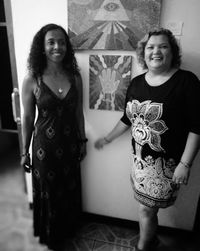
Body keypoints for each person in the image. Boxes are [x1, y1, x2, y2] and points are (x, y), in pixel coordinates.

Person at [95, 28, 200, 251]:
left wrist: (185, 164)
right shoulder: (136, 83)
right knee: (145, 207)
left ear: (172, 52)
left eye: (163, 46)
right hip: (140, 162)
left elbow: (197, 126)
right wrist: (108, 138)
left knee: (146, 209)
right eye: (151, 47)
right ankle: (150, 240)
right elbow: (128, 118)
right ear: (144, 53)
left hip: (167, 165)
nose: (156, 51)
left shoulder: (187, 81)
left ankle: (144, 246)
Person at [20, 23, 87, 251]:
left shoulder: (75, 76)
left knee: (68, 187)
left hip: (69, 145)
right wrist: (24, 151)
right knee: (49, 190)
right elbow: (28, 118)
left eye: (61, 42)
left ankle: (68, 229)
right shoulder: (33, 79)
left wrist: (82, 140)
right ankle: (51, 237)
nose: (57, 46)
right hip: (43, 149)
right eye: (51, 42)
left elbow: (79, 112)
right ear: (42, 46)